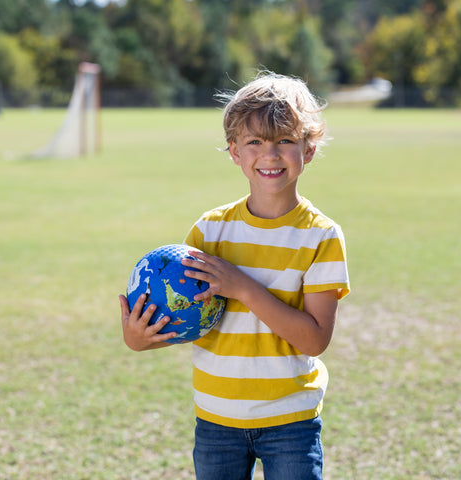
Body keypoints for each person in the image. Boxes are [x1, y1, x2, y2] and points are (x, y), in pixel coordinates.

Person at [119, 71, 350, 480]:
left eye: (285, 140)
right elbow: (187, 316)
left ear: (308, 149)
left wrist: (241, 286)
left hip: (290, 420)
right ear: (234, 152)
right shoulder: (208, 232)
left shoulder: (321, 236)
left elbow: (315, 339)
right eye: (255, 142)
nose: (270, 154)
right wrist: (138, 338)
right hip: (216, 418)